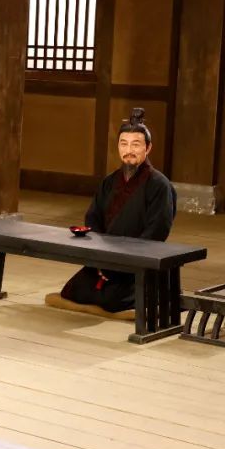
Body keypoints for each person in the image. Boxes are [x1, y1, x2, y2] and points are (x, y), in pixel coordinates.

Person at [59, 107, 177, 314]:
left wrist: (125, 261)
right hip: (105, 258)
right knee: (72, 290)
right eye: (124, 144)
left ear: (148, 148)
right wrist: (100, 257)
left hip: (136, 261)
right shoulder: (110, 181)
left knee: (111, 299)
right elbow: (93, 217)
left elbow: (157, 230)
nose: (129, 150)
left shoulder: (159, 185)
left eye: (136, 144)